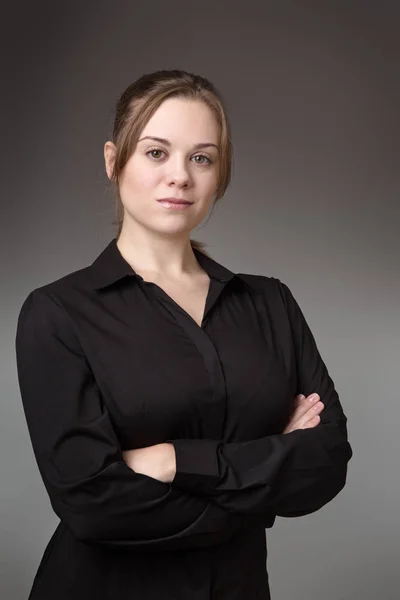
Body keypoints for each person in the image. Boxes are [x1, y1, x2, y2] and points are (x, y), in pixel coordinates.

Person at [15, 69, 352, 600]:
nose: (180, 177)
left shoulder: (270, 303)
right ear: (113, 161)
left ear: (220, 174)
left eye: (202, 157)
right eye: (155, 153)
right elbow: (92, 505)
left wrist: (174, 460)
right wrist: (263, 476)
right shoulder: (58, 313)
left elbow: (326, 462)